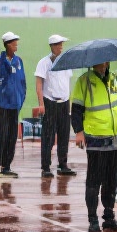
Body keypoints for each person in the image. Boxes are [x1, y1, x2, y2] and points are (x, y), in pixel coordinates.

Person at [71, 61, 117, 232]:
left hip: (116, 138)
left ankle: (109, 217)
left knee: (111, 180)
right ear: (93, 63)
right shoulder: (84, 82)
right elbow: (76, 110)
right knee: (94, 181)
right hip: (96, 139)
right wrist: (79, 132)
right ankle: (92, 219)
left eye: (106, 62)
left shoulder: (116, 80)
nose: (103, 65)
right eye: (100, 62)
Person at [0, 31, 27, 179]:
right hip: (0, 105)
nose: (17, 44)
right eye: (14, 42)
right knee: (0, 136)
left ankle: (6, 166)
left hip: (14, 105)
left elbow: (22, 83)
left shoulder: (19, 61)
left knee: (12, 136)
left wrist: (20, 99)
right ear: (8, 44)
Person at [35, 34, 76, 178]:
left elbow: (67, 83)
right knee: (48, 136)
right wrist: (41, 104)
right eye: (58, 44)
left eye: (62, 44)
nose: (61, 46)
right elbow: (39, 84)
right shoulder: (44, 63)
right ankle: (45, 167)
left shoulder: (66, 62)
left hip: (64, 103)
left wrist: (69, 103)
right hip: (50, 102)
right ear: (52, 46)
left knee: (64, 135)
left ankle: (62, 165)